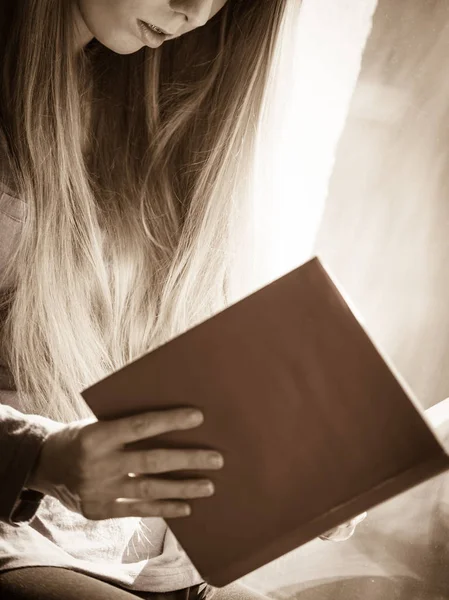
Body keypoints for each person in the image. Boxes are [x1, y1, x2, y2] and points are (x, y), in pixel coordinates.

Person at [0, 1, 364, 599]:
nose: (196, 9)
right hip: (20, 541)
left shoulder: (149, 110)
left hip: (151, 559)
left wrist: (294, 458)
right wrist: (37, 458)